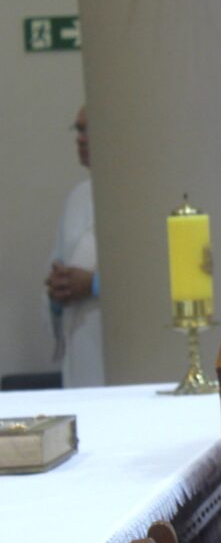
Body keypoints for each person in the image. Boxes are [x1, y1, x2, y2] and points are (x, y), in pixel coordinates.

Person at [45, 105, 105, 387]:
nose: (80, 138)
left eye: (87, 130)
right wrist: (57, 291)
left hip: (111, 341)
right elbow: (58, 262)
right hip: (79, 342)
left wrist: (93, 285)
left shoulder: (139, 193)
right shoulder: (77, 197)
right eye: (78, 130)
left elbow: (150, 278)